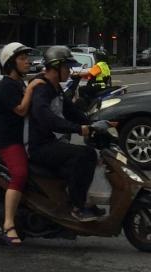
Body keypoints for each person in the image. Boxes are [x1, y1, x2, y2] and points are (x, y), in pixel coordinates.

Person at [26, 45, 101, 222]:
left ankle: (73, 199)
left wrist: (93, 125)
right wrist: (78, 129)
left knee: (87, 157)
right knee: (85, 154)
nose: (70, 71)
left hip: (52, 142)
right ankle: (77, 207)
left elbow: (71, 111)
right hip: (39, 147)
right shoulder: (41, 89)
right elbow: (47, 119)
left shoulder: (55, 87)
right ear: (55, 68)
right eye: (67, 67)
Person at [0, 42, 41, 245]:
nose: (27, 61)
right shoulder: (8, 86)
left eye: (27, 58)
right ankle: (9, 223)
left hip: (25, 138)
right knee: (20, 174)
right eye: (22, 58)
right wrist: (32, 87)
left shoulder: (19, 84)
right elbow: (21, 110)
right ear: (11, 63)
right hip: (9, 141)